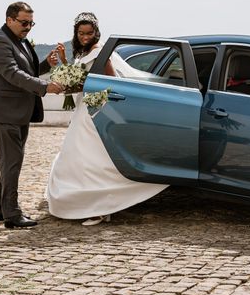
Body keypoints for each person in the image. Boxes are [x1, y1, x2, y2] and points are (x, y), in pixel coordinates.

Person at [45, 12, 167, 225]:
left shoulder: (100, 51)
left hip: (95, 106)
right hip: (85, 106)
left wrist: (84, 84)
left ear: (96, 32)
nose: (85, 37)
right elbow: (78, 75)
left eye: (89, 33)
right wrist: (64, 62)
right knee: (79, 155)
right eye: (81, 33)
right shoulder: (84, 51)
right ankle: (91, 203)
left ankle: (99, 207)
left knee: (89, 155)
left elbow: (111, 81)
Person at [0, 1, 63, 228]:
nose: (28, 27)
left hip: (19, 113)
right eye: (24, 22)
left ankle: (0, 209)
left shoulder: (20, 41)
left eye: (31, 23)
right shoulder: (0, 41)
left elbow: (27, 71)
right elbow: (12, 73)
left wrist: (47, 64)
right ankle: (12, 214)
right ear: (10, 20)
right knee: (12, 162)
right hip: (3, 113)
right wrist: (45, 86)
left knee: (10, 162)